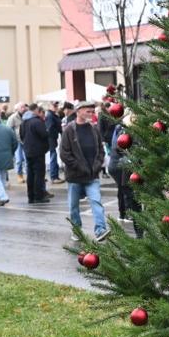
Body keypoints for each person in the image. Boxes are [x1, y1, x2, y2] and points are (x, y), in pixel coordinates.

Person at [59, 102, 107, 238]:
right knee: (73, 206)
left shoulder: (94, 129)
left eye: (93, 111)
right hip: (75, 176)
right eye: (88, 111)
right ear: (78, 111)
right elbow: (64, 153)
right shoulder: (69, 130)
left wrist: (97, 165)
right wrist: (80, 166)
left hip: (92, 176)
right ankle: (77, 231)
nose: (92, 114)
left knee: (96, 202)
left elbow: (101, 151)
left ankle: (100, 230)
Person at [107, 112, 144, 236]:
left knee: (134, 203)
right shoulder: (126, 134)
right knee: (134, 204)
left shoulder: (129, 132)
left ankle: (140, 233)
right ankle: (139, 235)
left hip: (132, 172)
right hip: (130, 173)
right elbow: (119, 148)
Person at [19, 103, 52, 205]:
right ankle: (38, 196)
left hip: (28, 150)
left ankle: (31, 196)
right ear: (36, 111)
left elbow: (21, 135)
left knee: (30, 173)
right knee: (38, 174)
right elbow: (44, 134)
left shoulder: (24, 122)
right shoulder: (37, 121)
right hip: (38, 151)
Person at [46, 103, 64, 182]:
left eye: (56, 106)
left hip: (53, 138)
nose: (56, 107)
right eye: (54, 106)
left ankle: (55, 176)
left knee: (54, 156)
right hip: (51, 139)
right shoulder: (50, 115)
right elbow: (50, 128)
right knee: (53, 156)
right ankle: (54, 176)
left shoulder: (52, 115)